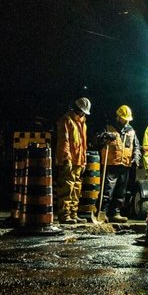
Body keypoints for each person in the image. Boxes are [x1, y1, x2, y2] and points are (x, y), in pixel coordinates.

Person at [96, 104, 139, 224]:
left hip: (125, 165)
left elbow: (136, 147)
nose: (125, 121)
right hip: (110, 164)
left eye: (127, 119)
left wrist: (136, 157)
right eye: (123, 118)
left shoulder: (131, 131)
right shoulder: (108, 128)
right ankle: (102, 212)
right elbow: (97, 140)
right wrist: (105, 136)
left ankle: (116, 213)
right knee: (108, 190)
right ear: (118, 117)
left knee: (121, 191)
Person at [54, 96, 91, 224]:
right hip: (69, 160)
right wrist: (66, 158)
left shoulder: (82, 123)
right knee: (67, 187)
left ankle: (73, 213)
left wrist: (84, 160)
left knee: (76, 188)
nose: (82, 113)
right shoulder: (66, 120)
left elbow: (83, 144)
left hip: (78, 161)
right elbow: (64, 142)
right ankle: (65, 214)